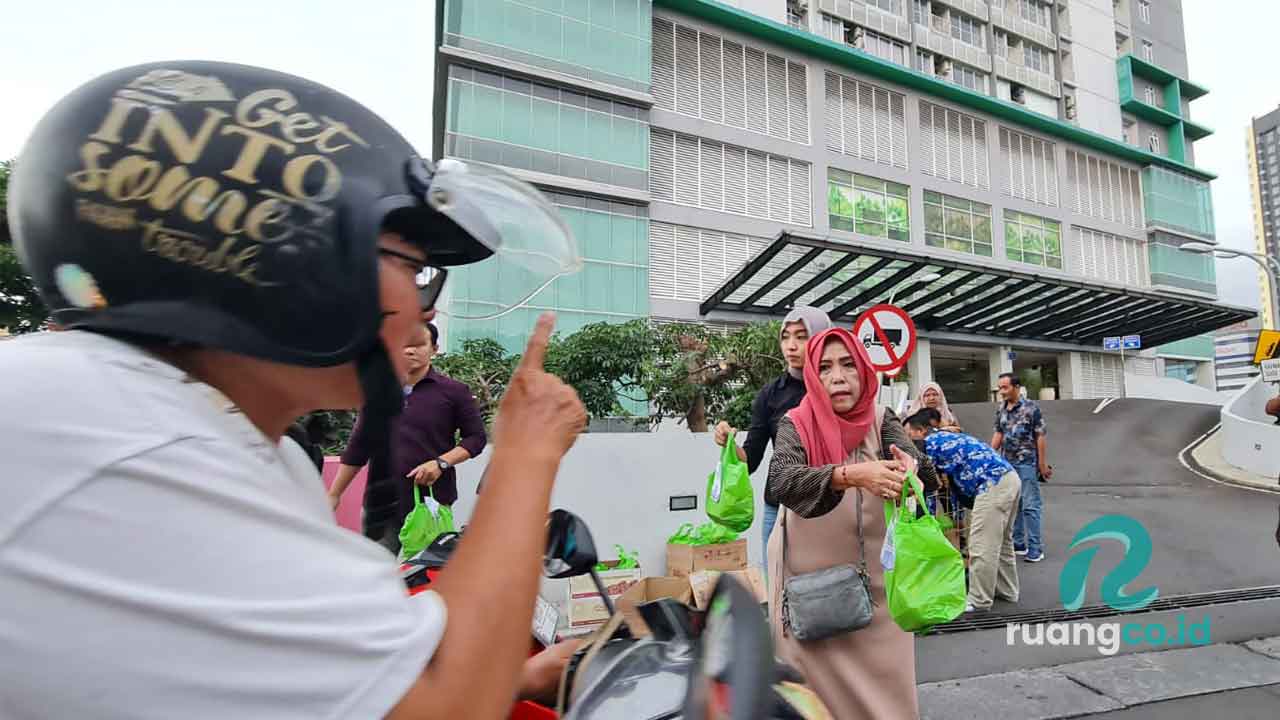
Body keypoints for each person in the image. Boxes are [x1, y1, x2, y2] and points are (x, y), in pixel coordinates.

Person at [0, 61, 586, 718]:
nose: (425, 311)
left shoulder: (220, 436)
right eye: (415, 270)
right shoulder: (117, 431)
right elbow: (443, 707)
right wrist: (527, 450)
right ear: (298, 260)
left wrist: (513, 679)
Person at [765, 327, 938, 719]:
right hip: (808, 590)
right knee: (811, 697)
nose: (838, 377)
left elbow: (925, 473)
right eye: (824, 368)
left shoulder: (882, 419)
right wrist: (851, 475)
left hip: (877, 588)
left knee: (887, 695)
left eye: (847, 365)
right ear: (812, 376)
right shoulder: (797, 423)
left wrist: (911, 471)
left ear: (863, 370)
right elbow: (782, 481)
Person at [330, 321, 487, 554]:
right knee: (376, 575)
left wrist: (441, 463)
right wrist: (334, 494)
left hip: (431, 504)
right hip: (381, 505)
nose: (410, 350)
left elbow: (476, 438)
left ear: (434, 349)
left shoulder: (453, 392)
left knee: (425, 575)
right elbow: (359, 447)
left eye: (418, 344)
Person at [713, 306, 832, 567]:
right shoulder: (771, 394)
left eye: (802, 336)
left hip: (830, 505)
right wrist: (729, 443)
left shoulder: (836, 386)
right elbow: (751, 461)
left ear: (822, 338)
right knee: (778, 591)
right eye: (786, 337)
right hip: (778, 509)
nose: (791, 345)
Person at [904, 411, 1020, 613]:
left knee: (982, 544)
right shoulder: (948, 438)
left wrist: (923, 522)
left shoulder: (927, 445)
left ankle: (979, 600)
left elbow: (927, 489)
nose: (907, 441)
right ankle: (1007, 591)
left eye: (909, 434)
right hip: (1008, 478)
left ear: (921, 431)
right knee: (1002, 542)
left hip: (991, 484)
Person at [991, 372, 1051, 563]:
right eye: (1000, 387)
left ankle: (1035, 548)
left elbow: (1040, 436)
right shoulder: (1001, 409)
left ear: (1016, 387)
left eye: (1005, 387)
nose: (1002, 391)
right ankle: (1019, 544)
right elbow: (998, 433)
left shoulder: (1031, 408)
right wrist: (989, 456)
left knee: (1030, 505)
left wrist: (1041, 464)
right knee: (1014, 504)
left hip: (1026, 462)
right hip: (1007, 463)